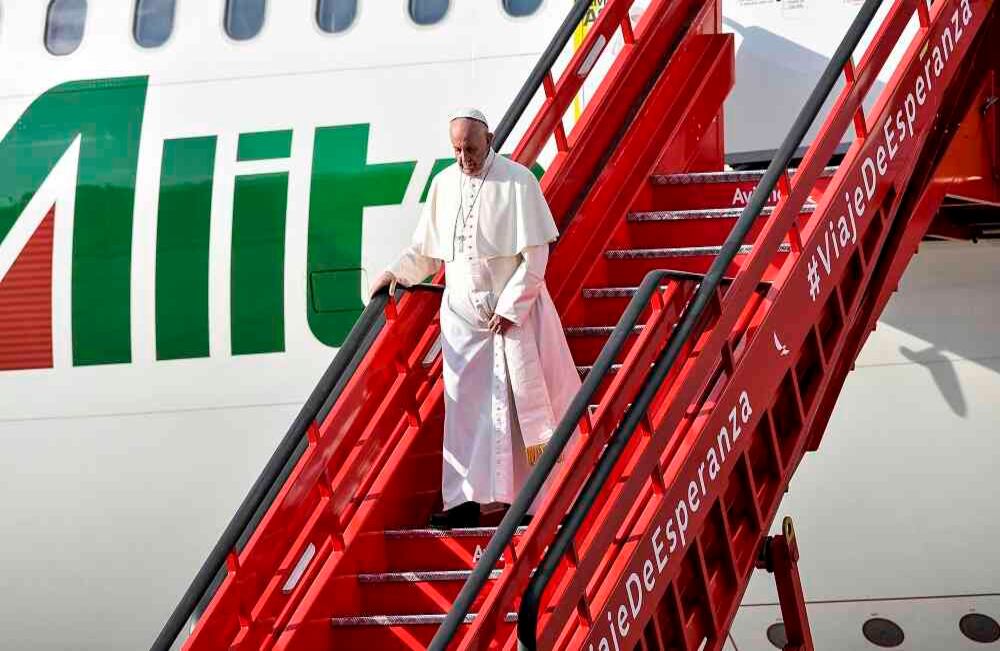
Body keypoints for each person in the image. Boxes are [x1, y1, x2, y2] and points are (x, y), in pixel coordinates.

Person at [369, 108, 581, 528]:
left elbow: (536, 256)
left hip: (513, 319)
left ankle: (539, 498)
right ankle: (464, 502)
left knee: (526, 414)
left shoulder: (518, 181)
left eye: (471, 148)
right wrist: (395, 274)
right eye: (457, 150)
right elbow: (427, 252)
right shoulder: (444, 185)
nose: (464, 158)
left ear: (490, 139)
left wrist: (510, 307)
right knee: (466, 414)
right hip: (465, 324)